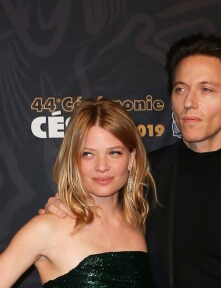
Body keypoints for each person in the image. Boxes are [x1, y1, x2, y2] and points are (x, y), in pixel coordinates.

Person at [41, 33, 221, 288]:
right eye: (180, 89)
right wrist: (62, 205)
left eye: (206, 89)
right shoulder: (142, 174)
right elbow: (96, 211)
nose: (189, 102)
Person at [0, 99, 156, 287]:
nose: (102, 166)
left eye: (114, 153)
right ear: (74, 160)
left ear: (131, 159)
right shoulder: (47, 228)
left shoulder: (137, 224)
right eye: (88, 154)